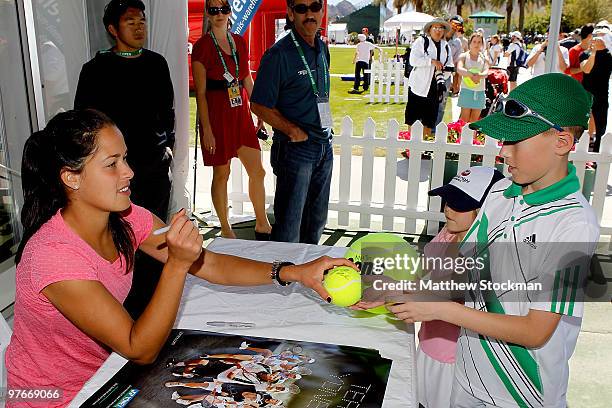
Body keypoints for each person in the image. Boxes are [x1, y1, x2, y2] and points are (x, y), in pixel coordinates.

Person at [5, 110, 355, 407]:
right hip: (53, 397)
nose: (128, 172)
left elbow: (211, 264)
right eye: (112, 164)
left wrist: (292, 272)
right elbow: (138, 347)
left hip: (106, 374)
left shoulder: (126, 219)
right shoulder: (53, 257)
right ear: (71, 178)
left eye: (124, 158)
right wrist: (176, 264)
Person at [387, 74, 599, 407]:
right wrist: (401, 292)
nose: (503, 151)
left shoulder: (574, 225)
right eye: (503, 140)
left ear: (561, 142)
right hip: (467, 380)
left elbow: (535, 331)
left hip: (521, 396)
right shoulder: (499, 193)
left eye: (516, 142)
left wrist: (440, 310)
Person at [74, 0, 175, 319]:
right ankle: (123, 313)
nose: (139, 25)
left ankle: (155, 309)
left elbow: (168, 113)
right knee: (119, 239)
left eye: (142, 19)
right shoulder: (95, 71)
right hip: (113, 175)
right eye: (130, 20)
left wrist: (166, 148)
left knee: (155, 238)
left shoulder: (157, 64)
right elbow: (84, 122)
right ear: (112, 29)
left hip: (154, 168)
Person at [416, 166, 504, 408]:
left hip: (455, 360)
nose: (447, 209)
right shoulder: (447, 232)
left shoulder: (485, 253)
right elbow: (424, 270)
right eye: (447, 200)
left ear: (486, 209)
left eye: (459, 204)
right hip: (428, 343)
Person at [250, 0, 333, 244]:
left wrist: (326, 129)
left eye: (315, 6)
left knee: (316, 221)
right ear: (290, 13)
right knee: (290, 226)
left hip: (324, 145)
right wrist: (292, 130)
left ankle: (309, 277)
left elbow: (321, 93)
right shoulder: (279, 54)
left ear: (322, 10)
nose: (309, 14)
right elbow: (259, 104)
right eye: (301, 8)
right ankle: (285, 279)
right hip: (296, 150)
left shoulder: (322, 47)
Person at [191, 0, 272, 240]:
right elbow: (201, 94)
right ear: (207, 12)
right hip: (216, 117)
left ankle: (262, 223)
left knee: (257, 171)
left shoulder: (239, 41)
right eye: (213, 10)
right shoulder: (202, 47)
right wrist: (206, 129)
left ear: (230, 12)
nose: (219, 14)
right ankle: (226, 229)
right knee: (222, 174)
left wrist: (259, 112)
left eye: (224, 9)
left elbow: (246, 78)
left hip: (240, 115)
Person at [405, 18, 454, 138]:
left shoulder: (445, 46)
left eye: (441, 28)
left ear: (444, 31)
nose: (438, 31)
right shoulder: (421, 41)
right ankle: (411, 148)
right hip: (418, 86)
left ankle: (425, 148)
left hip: (435, 88)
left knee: (429, 120)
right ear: (429, 29)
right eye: (435, 28)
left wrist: (443, 72)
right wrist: (431, 62)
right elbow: (414, 60)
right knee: (413, 119)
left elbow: (450, 64)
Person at [581, 28, 612, 152]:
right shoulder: (585, 54)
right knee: (581, 123)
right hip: (585, 95)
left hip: (602, 96)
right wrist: (593, 53)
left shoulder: (609, 55)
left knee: (601, 129)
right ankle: (579, 148)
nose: (597, 39)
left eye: (601, 37)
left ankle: (597, 154)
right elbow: (586, 69)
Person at [456, 33, 490, 123]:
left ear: (482, 44)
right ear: (470, 43)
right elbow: (459, 69)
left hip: (479, 92)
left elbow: (486, 72)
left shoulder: (485, 58)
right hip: (466, 91)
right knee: (464, 121)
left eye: (479, 42)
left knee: (474, 122)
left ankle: (473, 137)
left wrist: (479, 76)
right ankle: (462, 137)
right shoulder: (463, 56)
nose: (476, 44)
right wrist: (471, 75)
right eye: (474, 41)